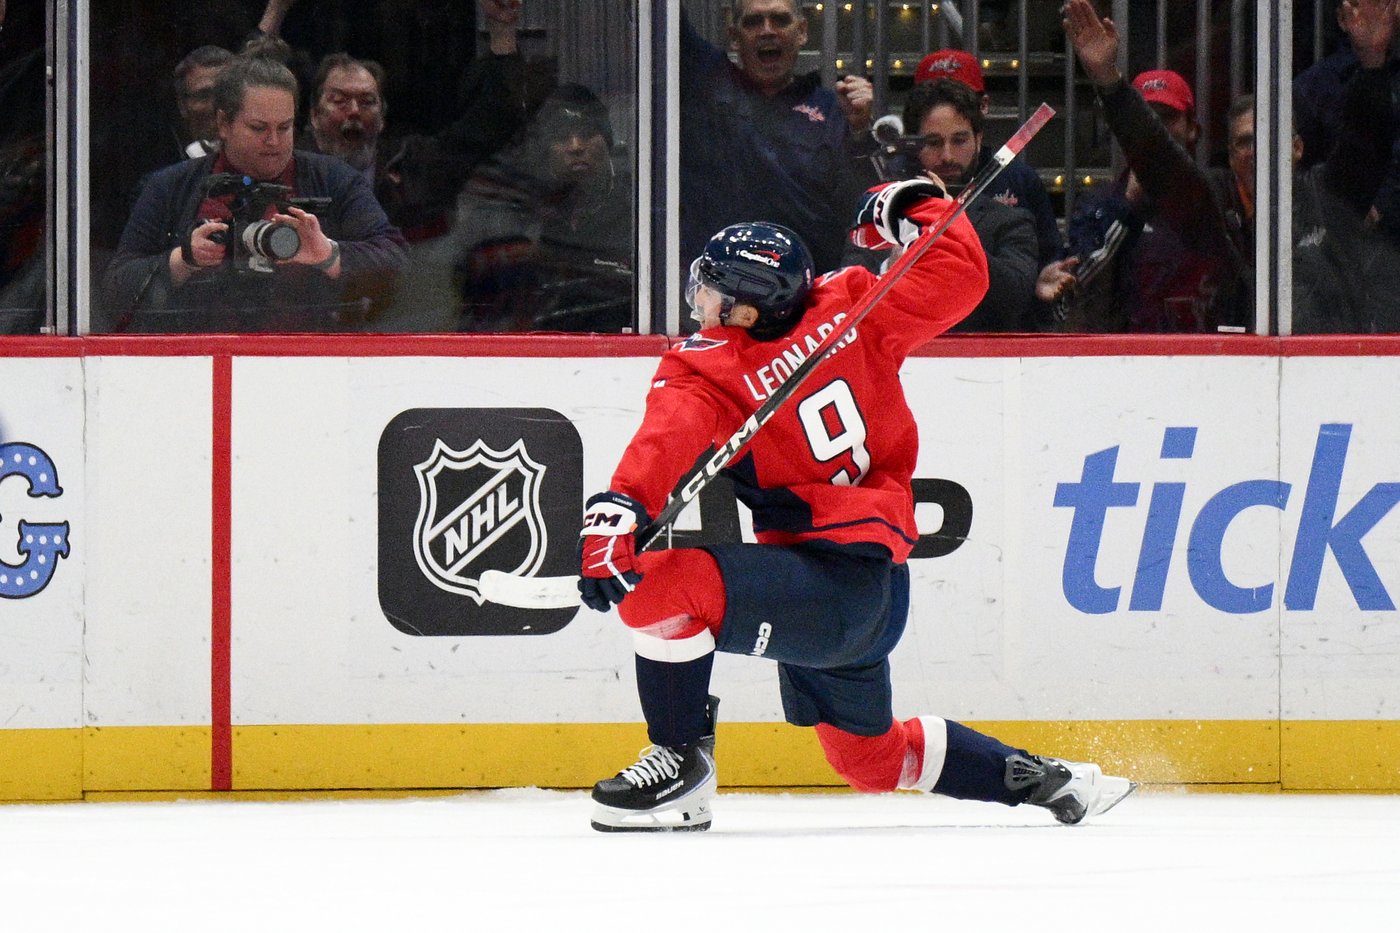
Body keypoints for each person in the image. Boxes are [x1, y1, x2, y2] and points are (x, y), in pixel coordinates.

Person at [576, 179, 1135, 832]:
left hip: (827, 591)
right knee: (872, 760)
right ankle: (1050, 780)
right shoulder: (851, 306)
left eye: (713, 293)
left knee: (660, 589)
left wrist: (619, 511)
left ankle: (680, 767)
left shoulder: (708, 368)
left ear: (749, 312)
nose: (700, 302)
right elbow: (961, 273)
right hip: (863, 592)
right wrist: (908, 205)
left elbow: (665, 437)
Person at [102, 54, 407, 332]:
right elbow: (114, 292)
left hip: (312, 362)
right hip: (195, 362)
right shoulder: (169, 188)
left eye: (285, 127)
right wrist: (183, 260)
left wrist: (327, 255)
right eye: (258, 128)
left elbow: (399, 264)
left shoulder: (336, 180)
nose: (273, 141)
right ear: (223, 123)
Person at [1058, 0, 1248, 333]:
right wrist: (1126, 209)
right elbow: (1078, 293)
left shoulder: (1221, 192)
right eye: (1150, 120)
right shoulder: (1100, 204)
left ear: (1193, 128)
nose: (1159, 131)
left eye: (1168, 119)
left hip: (1215, 359)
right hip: (1125, 362)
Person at [680, 0, 874, 281]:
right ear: (733, 36)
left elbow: (858, 211)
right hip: (715, 292)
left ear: (802, 32)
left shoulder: (834, 111)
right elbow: (662, 19)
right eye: (753, 22)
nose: (767, 31)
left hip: (807, 295)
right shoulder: (708, 84)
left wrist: (859, 133)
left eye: (780, 20)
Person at [849, 78, 1039, 331]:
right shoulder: (880, 211)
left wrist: (950, 230)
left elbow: (1016, 299)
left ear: (978, 141)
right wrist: (888, 270)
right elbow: (849, 292)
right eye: (934, 142)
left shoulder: (1010, 221)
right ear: (914, 145)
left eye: (959, 140)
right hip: (898, 359)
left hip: (980, 363)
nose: (947, 156)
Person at [453, 84, 634, 333]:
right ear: (545, 150)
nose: (575, 146)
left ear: (608, 140)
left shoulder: (638, 210)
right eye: (562, 137)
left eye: (587, 134)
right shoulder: (514, 210)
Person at [911, 49, 1061, 268]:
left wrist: (1044, 277)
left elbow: (1048, 257)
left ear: (984, 106)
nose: (947, 155)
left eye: (963, 100)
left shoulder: (1020, 178)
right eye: (933, 142)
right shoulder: (894, 182)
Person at [173, 46, 235, 161]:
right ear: (183, 106)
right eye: (204, 96)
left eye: (227, 92)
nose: (217, 106)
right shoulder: (167, 177)